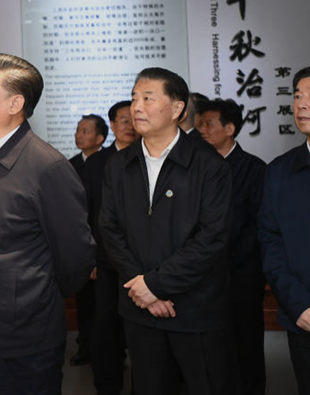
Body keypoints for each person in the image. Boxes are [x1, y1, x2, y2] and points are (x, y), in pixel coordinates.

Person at [0, 53, 95, 395]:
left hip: (20, 345)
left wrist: (26, 300)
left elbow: (76, 260)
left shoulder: (47, 167)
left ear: (15, 104)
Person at [99, 67, 234, 395]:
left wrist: (156, 285)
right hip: (139, 308)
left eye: (148, 98)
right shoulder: (118, 165)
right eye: (134, 99)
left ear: (177, 109)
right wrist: (142, 286)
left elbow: (212, 237)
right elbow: (109, 228)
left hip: (195, 310)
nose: (137, 107)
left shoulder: (209, 165)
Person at [259, 65, 310, 395]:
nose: (301, 104)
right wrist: (300, 304)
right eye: (296, 96)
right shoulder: (279, 170)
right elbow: (270, 243)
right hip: (303, 322)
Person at [198, 98, 267, 395]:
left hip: (242, 273)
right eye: (200, 124)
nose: (201, 129)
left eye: (208, 124)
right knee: (212, 345)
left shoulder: (254, 168)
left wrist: (227, 258)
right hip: (203, 274)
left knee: (246, 341)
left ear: (229, 129)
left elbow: (259, 223)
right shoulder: (198, 167)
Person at [81, 100, 137, 395]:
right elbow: (85, 212)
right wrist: (89, 256)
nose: (129, 125)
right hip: (105, 259)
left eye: (133, 119)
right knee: (105, 324)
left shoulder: (149, 156)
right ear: (112, 125)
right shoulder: (96, 163)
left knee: (141, 330)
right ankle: (107, 386)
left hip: (143, 261)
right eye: (123, 120)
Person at [69, 113, 108, 366]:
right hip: (79, 244)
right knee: (83, 301)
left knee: (104, 305)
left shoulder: (108, 164)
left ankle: (106, 351)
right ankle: (85, 347)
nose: (79, 135)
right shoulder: (70, 165)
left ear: (100, 138)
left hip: (103, 246)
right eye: (78, 130)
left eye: (85, 131)